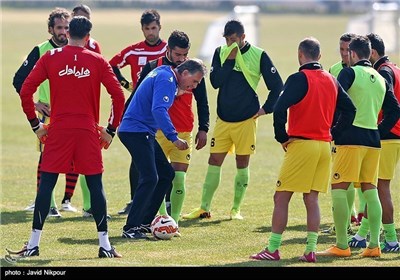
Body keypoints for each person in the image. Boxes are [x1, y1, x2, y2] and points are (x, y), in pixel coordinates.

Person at [8, 16, 125, 258]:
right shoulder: (98, 60)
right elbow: (118, 96)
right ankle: (104, 245)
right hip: (87, 132)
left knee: (47, 184)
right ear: (88, 36)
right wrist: (111, 130)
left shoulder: (50, 57)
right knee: (95, 185)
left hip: (58, 131)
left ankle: (33, 244)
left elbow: (26, 90)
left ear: (68, 32)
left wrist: (36, 125)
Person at [250, 37, 356, 263]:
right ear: (319, 56)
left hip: (302, 145)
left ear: (300, 55)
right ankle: (310, 249)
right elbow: (350, 110)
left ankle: (273, 248)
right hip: (323, 147)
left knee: (281, 197)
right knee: (312, 199)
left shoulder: (299, 78)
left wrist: (282, 137)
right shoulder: (331, 79)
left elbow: (279, 108)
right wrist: (334, 132)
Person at [182, 19, 283, 221]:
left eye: (233, 40)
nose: (230, 44)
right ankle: (204, 208)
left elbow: (277, 86)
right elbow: (215, 82)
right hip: (224, 120)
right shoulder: (221, 53)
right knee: (214, 160)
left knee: (242, 163)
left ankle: (236, 209)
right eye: (227, 40)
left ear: (243, 37)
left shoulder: (259, 55)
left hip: (246, 120)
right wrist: (230, 59)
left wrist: (266, 109)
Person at [317, 35, 400, 258]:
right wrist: (378, 131)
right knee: (370, 190)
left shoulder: (349, 72)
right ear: (369, 53)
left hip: (350, 140)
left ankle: (342, 246)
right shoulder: (379, 76)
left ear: (353, 54)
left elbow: (336, 100)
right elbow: (395, 110)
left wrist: (336, 130)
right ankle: (374, 245)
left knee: (339, 189)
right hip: (373, 142)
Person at [125, 30, 210, 225]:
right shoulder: (156, 68)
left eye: (184, 55)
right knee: (154, 177)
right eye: (178, 54)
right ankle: (153, 219)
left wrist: (203, 128)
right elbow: (140, 96)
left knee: (174, 177)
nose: (181, 59)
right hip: (156, 132)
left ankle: (173, 221)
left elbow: (202, 101)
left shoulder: (193, 71)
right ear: (168, 50)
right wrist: (121, 124)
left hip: (183, 130)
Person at [12, 7, 75, 217]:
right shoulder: (40, 50)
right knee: (47, 157)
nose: (63, 32)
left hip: (74, 113)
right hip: (49, 115)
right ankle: (47, 202)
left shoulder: (76, 50)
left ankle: (70, 201)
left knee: (75, 156)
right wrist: (35, 104)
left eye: (67, 27)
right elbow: (18, 80)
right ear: (50, 29)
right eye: (59, 27)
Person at [109, 9, 168, 215]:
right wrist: (127, 85)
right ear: (142, 29)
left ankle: (165, 202)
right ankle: (135, 200)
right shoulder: (135, 51)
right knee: (138, 158)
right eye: (146, 29)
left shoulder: (169, 50)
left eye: (154, 28)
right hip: (141, 111)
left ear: (160, 27)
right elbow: (112, 65)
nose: (150, 32)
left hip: (163, 110)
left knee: (164, 159)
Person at [347, 33, 400, 253]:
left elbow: (388, 105)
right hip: (394, 135)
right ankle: (362, 234)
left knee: (380, 188)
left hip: (388, 136)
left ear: (373, 53)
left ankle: (390, 239)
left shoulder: (383, 72)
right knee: (373, 187)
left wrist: (378, 130)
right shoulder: (395, 67)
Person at [322, 32, 363, 235]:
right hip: (340, 131)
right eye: (341, 50)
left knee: (360, 180)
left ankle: (360, 217)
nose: (344, 54)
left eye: (347, 50)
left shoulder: (362, 71)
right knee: (344, 178)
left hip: (357, 132)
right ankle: (349, 217)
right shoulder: (335, 70)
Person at [71, 3, 106, 219]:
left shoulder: (94, 47)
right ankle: (54, 203)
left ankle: (88, 206)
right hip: (64, 110)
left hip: (88, 112)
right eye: (78, 17)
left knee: (89, 159)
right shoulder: (61, 49)